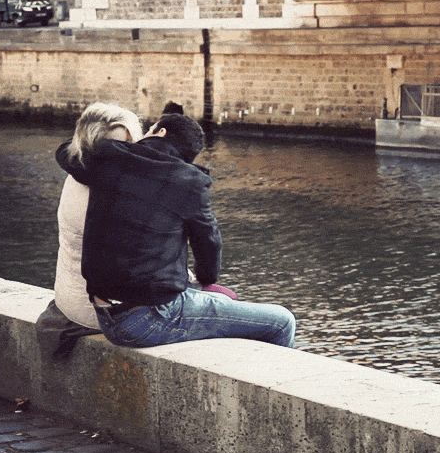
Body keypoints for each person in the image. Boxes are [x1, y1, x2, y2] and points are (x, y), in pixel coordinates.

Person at [77, 112, 296, 348]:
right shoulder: (189, 181)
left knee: (224, 298)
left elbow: (65, 152)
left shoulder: (109, 157)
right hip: (149, 318)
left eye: (149, 129)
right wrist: (205, 278)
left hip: (105, 311)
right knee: (283, 322)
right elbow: (209, 244)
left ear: (161, 132)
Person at [37, 103, 144, 358]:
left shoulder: (77, 171)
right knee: (221, 300)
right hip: (100, 312)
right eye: (127, 145)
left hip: (69, 299)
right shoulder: (117, 192)